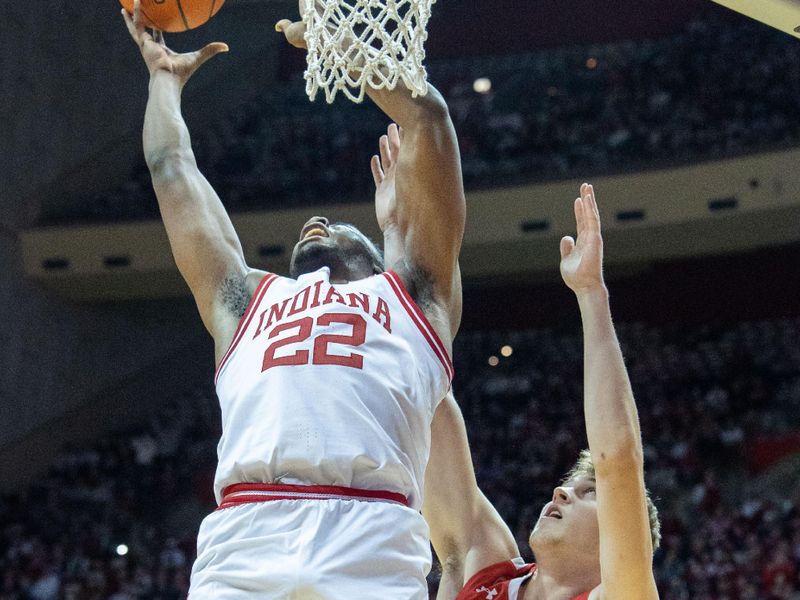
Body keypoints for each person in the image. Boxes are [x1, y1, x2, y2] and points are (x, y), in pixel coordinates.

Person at [121, 0, 465, 597]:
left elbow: (428, 120)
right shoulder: (246, 301)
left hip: (372, 534)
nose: (317, 220)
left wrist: (343, 49)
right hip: (248, 535)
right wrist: (162, 83)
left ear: (378, 254)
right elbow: (169, 166)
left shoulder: (415, 297)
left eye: (337, 223)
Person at [423, 184, 660, 599]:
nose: (561, 490)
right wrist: (407, 225)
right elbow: (424, 395)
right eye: (572, 484)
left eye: (589, 493)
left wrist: (591, 293)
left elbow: (618, 460)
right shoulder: (486, 569)